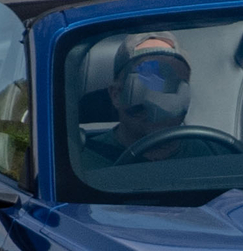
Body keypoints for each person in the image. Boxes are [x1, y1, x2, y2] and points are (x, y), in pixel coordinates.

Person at [80, 31, 197, 163]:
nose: (159, 99)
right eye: (145, 85)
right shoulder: (85, 162)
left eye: (173, 86)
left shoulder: (216, 155)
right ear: (116, 95)